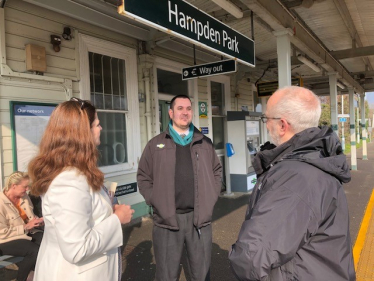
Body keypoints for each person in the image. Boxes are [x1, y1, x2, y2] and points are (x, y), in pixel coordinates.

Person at [229, 86, 355, 281]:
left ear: (282, 125)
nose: (265, 125)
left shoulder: (294, 178)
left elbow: (251, 257)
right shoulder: (317, 160)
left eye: (266, 119)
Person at [28, 98, 134, 281]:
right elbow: (77, 249)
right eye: (97, 125)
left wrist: (109, 211)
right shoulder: (68, 181)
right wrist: (117, 219)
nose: (101, 129)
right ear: (82, 133)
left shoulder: (74, 173)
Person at [137, 95, 222, 281]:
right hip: (167, 220)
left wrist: (211, 197)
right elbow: (143, 176)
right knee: (167, 274)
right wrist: (155, 200)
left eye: (188, 109)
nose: (185, 113)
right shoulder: (155, 144)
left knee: (200, 274)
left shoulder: (204, 143)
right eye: (180, 108)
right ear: (171, 112)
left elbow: (217, 171)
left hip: (199, 219)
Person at [0, 171, 44, 281]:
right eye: (25, 187)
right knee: (34, 250)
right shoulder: (1, 203)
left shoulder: (24, 197)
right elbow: (2, 232)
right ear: (14, 186)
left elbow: (30, 217)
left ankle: (39, 275)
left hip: (26, 233)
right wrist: (25, 227)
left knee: (47, 242)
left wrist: (37, 221)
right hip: (6, 239)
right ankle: (22, 278)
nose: (27, 189)